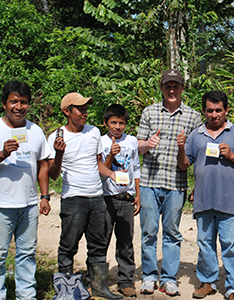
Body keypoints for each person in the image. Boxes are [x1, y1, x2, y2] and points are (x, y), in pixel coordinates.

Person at [0, 80, 51, 300]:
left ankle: (26, 294)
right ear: (4, 104)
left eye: (23, 102)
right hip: (0, 205)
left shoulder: (35, 130)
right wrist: (2, 154)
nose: (19, 107)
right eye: (14, 102)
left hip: (27, 205)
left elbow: (43, 164)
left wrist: (44, 196)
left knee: (27, 253)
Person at [177, 90, 234, 300]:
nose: (214, 115)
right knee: (205, 245)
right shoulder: (196, 135)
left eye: (218, 110)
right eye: (210, 111)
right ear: (204, 111)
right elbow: (184, 164)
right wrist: (181, 148)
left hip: (229, 200)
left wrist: (231, 155)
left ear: (226, 110)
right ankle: (208, 282)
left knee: (231, 246)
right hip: (203, 200)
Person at [48, 93, 122, 300]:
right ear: (67, 111)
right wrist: (59, 153)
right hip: (73, 199)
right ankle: (66, 291)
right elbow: (53, 175)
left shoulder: (93, 132)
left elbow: (98, 163)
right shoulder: (57, 137)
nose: (85, 113)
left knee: (98, 243)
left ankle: (98, 287)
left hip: (96, 197)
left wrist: (112, 174)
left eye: (86, 108)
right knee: (69, 244)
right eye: (80, 109)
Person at [137, 69, 202, 296]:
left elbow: (194, 157)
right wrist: (148, 144)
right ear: (162, 88)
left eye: (176, 86)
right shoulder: (149, 112)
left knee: (172, 232)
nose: (171, 90)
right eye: (167, 86)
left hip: (177, 183)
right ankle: (149, 276)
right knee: (149, 231)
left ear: (182, 88)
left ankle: (168, 278)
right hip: (149, 181)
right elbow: (137, 146)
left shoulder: (193, 116)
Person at [100, 104, 141, 298]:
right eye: (113, 122)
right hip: (106, 197)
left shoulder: (132, 141)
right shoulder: (100, 141)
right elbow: (100, 168)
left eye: (121, 123)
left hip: (126, 198)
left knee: (125, 241)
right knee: (102, 239)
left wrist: (137, 194)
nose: (117, 127)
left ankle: (125, 281)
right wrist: (111, 154)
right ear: (106, 123)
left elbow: (136, 168)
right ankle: (97, 280)